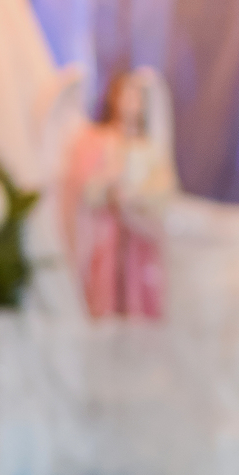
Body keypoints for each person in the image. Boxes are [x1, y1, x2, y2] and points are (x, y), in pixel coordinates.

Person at [61, 68, 176, 320]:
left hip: (139, 236)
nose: (131, 103)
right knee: (106, 295)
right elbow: (85, 188)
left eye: (137, 97)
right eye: (126, 95)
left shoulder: (148, 147)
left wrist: (138, 198)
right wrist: (106, 187)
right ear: (114, 98)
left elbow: (163, 190)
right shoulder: (99, 141)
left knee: (139, 298)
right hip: (108, 236)